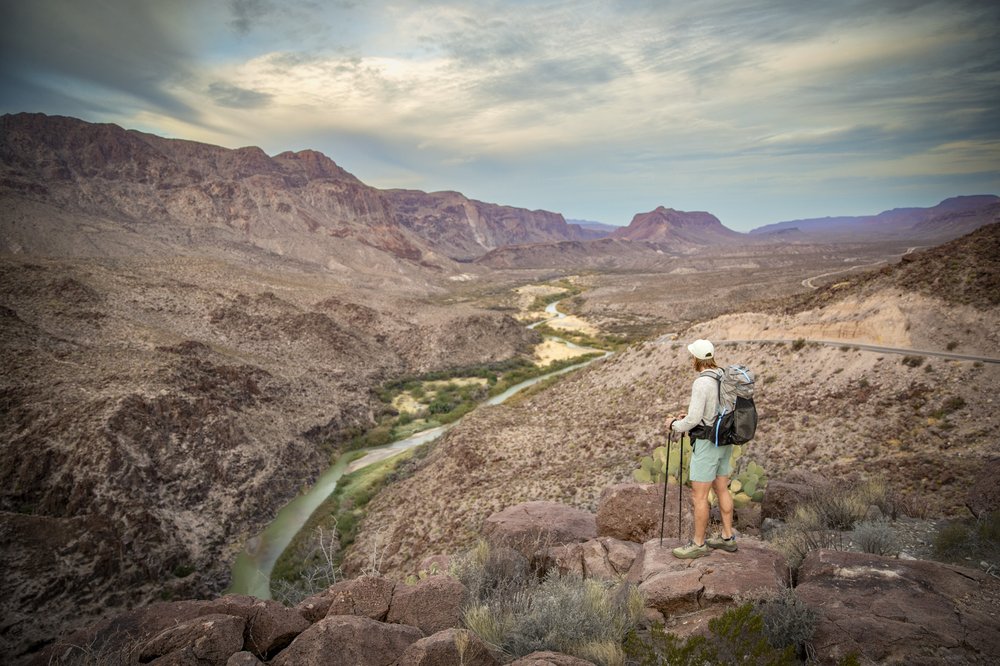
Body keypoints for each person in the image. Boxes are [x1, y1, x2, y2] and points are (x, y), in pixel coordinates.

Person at [667, 339, 737, 558]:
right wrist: (688, 417)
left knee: (700, 496)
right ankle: (727, 537)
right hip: (725, 440)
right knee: (722, 489)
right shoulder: (725, 376)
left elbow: (695, 418)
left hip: (707, 444)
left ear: (696, 359)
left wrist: (674, 424)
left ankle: (698, 544)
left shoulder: (701, 383)